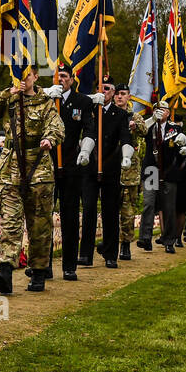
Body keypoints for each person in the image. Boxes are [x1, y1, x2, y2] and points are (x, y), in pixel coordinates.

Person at [0, 65, 62, 293]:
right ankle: (6, 271)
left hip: (38, 168)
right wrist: (9, 94)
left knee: (39, 223)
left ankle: (38, 272)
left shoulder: (45, 102)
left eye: (27, 74)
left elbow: (57, 127)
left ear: (35, 77)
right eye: (19, 74)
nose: (22, 79)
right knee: (10, 221)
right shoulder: (9, 100)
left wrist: (49, 139)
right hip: (10, 167)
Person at [77, 75, 134, 268]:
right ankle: (85, 253)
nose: (106, 92)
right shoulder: (90, 110)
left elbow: (126, 137)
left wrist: (127, 155)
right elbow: (87, 131)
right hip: (90, 166)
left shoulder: (119, 115)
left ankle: (111, 254)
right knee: (89, 210)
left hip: (110, 167)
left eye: (109, 88)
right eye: (102, 88)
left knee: (110, 211)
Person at [42, 62, 92, 279]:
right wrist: (45, 94)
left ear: (71, 79)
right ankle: (44, 265)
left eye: (63, 76)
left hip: (71, 164)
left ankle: (69, 266)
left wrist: (86, 149)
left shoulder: (82, 101)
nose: (60, 79)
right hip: (47, 164)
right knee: (44, 217)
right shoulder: (46, 100)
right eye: (57, 76)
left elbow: (89, 128)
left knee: (69, 216)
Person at [137, 100, 186, 252]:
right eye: (156, 109)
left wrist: (184, 139)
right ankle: (145, 238)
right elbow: (140, 130)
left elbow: (185, 138)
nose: (159, 112)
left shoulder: (174, 128)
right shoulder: (149, 125)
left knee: (168, 207)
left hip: (168, 171)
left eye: (162, 109)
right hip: (151, 170)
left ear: (168, 112)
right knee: (148, 203)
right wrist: (152, 118)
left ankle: (169, 240)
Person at [115, 85, 146, 256]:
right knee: (110, 208)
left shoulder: (134, 116)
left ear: (129, 97)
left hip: (130, 172)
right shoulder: (108, 114)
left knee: (127, 211)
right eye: (117, 94)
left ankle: (125, 244)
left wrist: (135, 127)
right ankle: (110, 242)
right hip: (111, 169)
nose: (119, 97)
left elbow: (144, 130)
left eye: (123, 94)